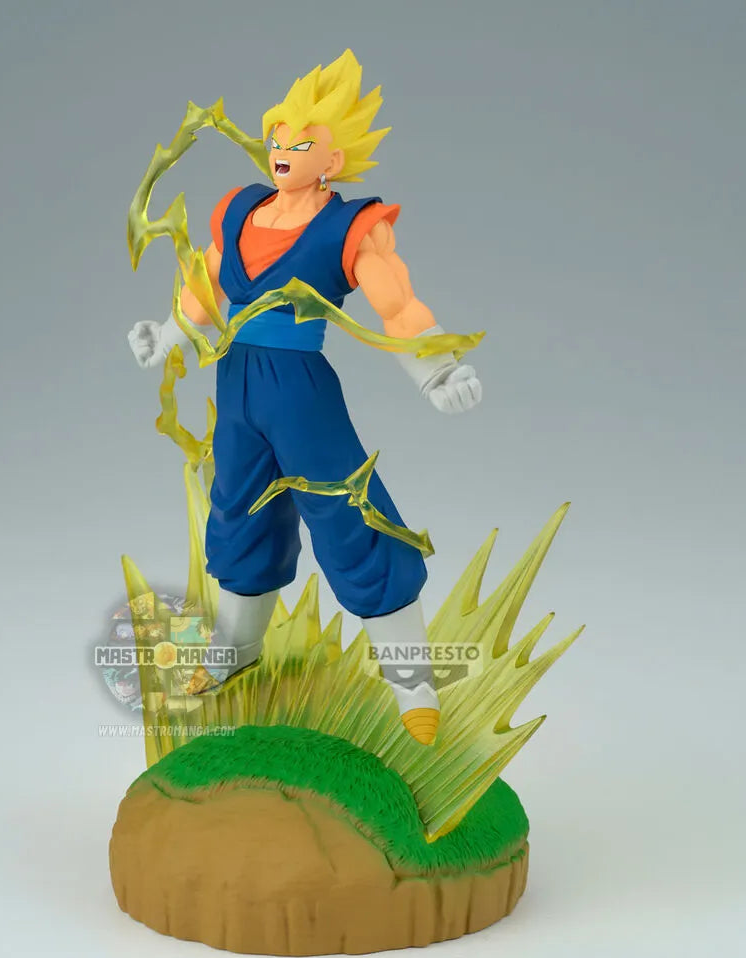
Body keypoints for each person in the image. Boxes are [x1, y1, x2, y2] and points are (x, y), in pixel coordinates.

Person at [127, 51, 481, 744]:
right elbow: (208, 283)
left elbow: (397, 305)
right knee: (239, 516)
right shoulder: (241, 209)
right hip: (236, 385)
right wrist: (167, 333)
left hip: (299, 392)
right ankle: (235, 651)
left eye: (301, 141)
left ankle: (412, 682)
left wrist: (438, 372)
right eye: (277, 136)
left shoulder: (351, 227)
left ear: (334, 159)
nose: (282, 150)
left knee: (352, 514)